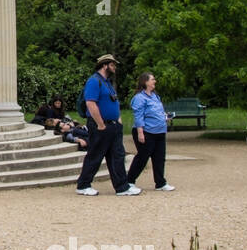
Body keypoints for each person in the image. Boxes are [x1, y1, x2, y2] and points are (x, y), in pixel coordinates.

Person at [74, 54, 137, 196]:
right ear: (105, 65)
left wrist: (118, 119)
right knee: (95, 155)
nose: (114, 67)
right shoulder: (94, 81)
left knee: (117, 156)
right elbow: (90, 103)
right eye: (112, 64)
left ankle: (122, 187)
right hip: (100, 126)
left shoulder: (106, 82)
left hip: (113, 125)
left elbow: (113, 102)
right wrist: (100, 124)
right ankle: (83, 184)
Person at [127, 72, 175, 191]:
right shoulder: (139, 98)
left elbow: (158, 111)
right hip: (146, 131)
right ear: (145, 82)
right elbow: (138, 116)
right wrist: (140, 132)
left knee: (159, 157)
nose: (155, 81)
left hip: (159, 131)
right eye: (152, 79)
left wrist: (165, 117)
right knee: (142, 157)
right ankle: (129, 180)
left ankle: (160, 183)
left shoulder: (155, 96)